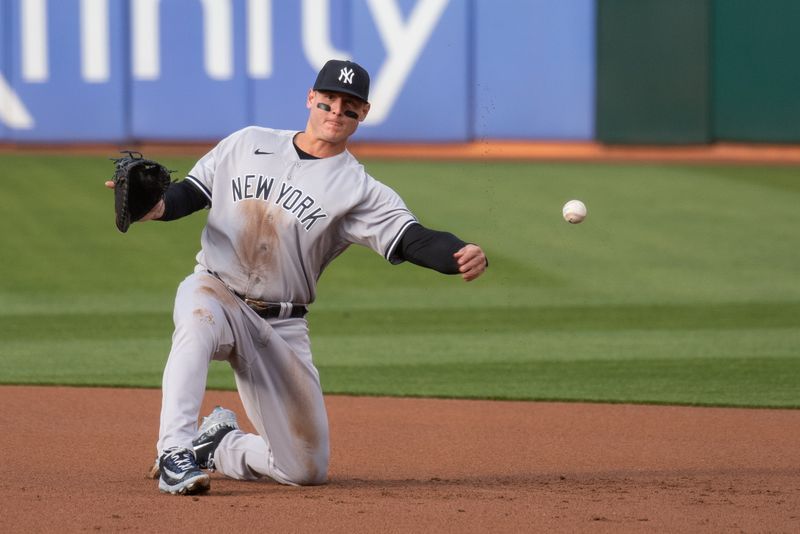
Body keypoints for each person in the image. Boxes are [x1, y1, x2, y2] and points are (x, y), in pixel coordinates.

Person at [109, 59, 487, 495]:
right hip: (217, 289)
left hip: (282, 324)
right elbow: (185, 197)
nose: (335, 112)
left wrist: (458, 253)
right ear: (311, 97)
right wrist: (150, 207)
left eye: (349, 106)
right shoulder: (246, 143)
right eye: (328, 100)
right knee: (196, 321)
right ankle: (172, 449)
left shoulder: (359, 189)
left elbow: (411, 238)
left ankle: (215, 446)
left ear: (362, 114)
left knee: (304, 470)